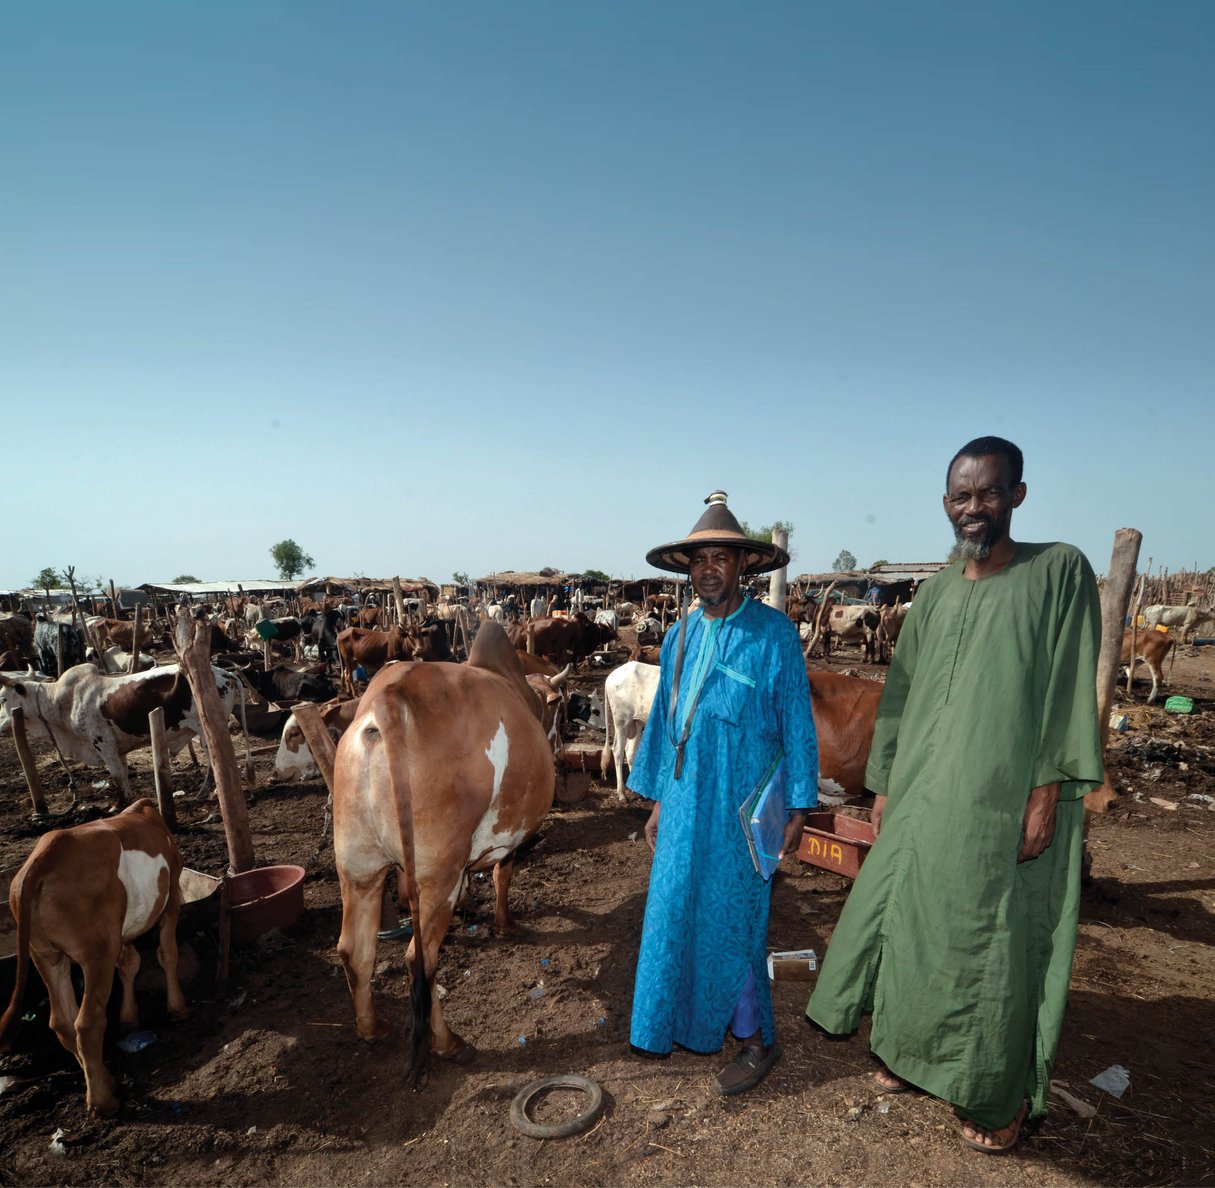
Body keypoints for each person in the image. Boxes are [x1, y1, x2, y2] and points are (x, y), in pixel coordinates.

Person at [805, 436, 1103, 1153]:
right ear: (947, 504)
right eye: (961, 496)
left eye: (989, 493)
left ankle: (991, 1093)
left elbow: (1069, 687)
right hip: (922, 793)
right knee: (912, 918)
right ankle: (908, 1052)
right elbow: (901, 695)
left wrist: (1045, 790)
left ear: (1016, 497)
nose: (974, 508)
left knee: (992, 939)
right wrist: (881, 784)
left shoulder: (1057, 570)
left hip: (1003, 794)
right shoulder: (935, 590)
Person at [628, 490, 819, 1096]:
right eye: (699, 559)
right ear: (689, 570)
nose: (708, 569)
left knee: (735, 920)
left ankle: (758, 1040)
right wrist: (660, 799)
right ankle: (676, 1025)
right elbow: (665, 722)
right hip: (685, 803)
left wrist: (799, 805)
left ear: (743, 567)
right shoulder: (679, 637)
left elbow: (797, 725)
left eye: (721, 558)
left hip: (743, 809)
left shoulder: (774, 635)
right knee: (674, 914)